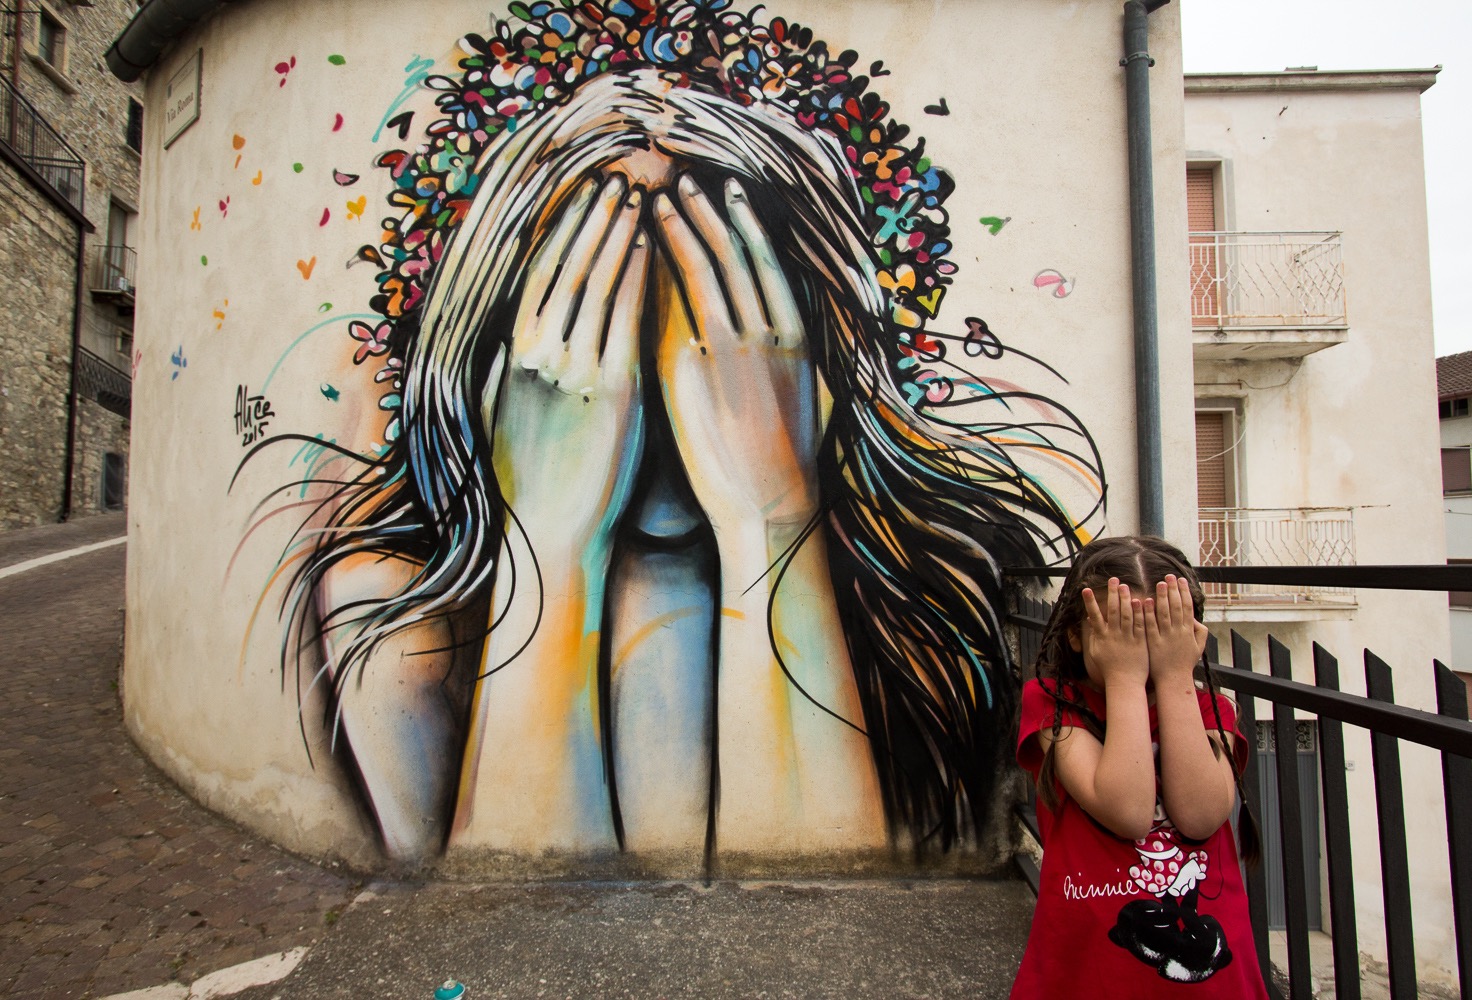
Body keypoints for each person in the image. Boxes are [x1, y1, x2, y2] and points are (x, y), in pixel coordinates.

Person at [268, 11, 1102, 866]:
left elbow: (822, 895)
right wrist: (546, 544)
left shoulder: (926, 591)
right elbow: (508, 898)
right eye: (586, 310)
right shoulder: (402, 612)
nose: (654, 377)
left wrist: (773, 519)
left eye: (726, 313)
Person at [1011, 535, 1267, 997]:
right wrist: (1125, 678)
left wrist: (1175, 675)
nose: (1137, 649)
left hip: (1208, 980)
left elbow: (1201, 816)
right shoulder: (1053, 703)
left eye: (1156, 632)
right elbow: (1127, 812)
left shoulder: (1211, 710)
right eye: (1120, 630)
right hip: (1087, 972)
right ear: (1076, 634)